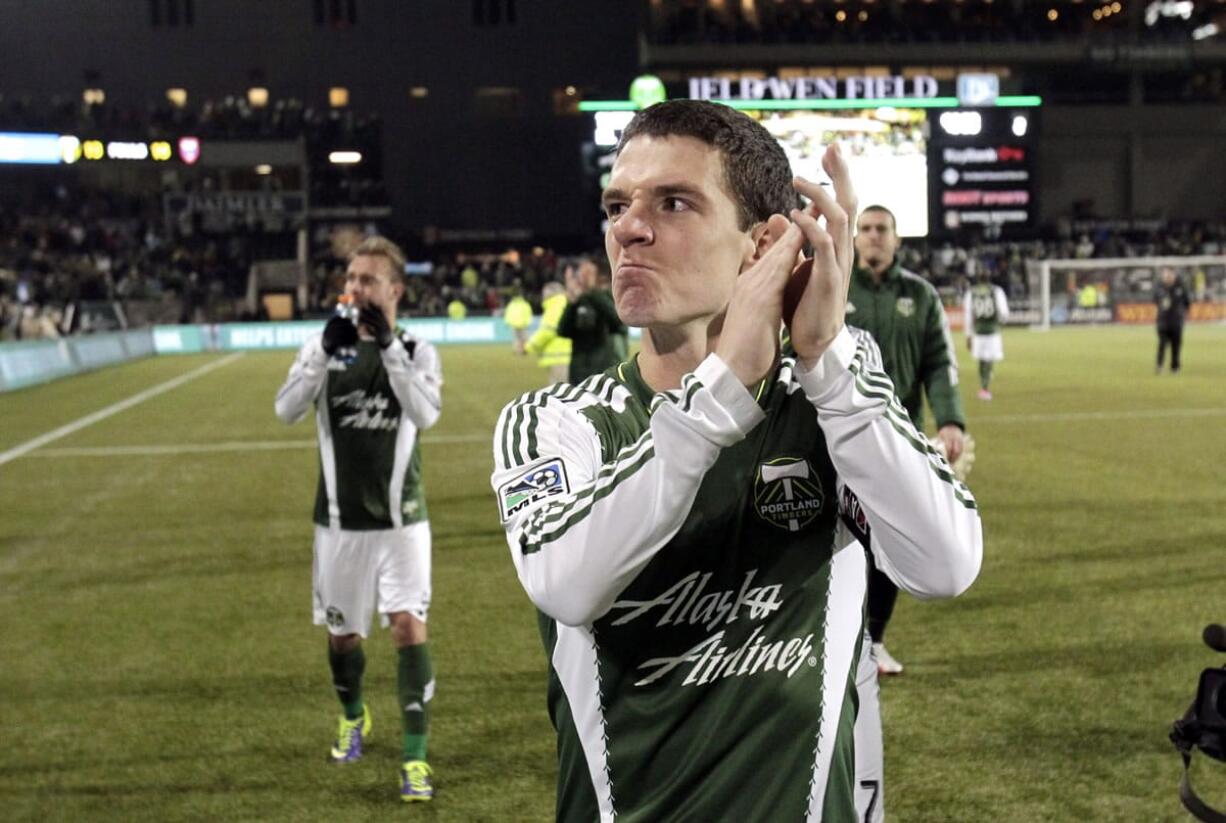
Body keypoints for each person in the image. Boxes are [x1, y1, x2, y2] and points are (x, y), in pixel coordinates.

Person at [490, 100, 982, 823]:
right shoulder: (554, 421)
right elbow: (567, 580)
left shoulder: (829, 403)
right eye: (617, 203)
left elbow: (947, 563)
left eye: (674, 202)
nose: (628, 227)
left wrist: (829, 359)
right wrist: (718, 393)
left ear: (766, 244)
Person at [275, 236, 442, 803]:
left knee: (406, 626)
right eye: (351, 278)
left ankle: (415, 759)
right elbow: (285, 410)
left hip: (402, 523)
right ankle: (354, 715)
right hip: (340, 526)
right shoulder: (323, 346)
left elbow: (426, 412)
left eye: (368, 280)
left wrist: (389, 346)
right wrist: (322, 352)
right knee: (343, 637)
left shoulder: (417, 349)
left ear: (394, 289)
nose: (356, 288)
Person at [848, 204, 967, 676]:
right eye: (866, 229)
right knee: (835, 547)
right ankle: (832, 646)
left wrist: (951, 420)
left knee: (887, 547)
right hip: (834, 441)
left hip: (899, 443)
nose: (874, 236)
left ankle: (873, 642)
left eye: (883, 230)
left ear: (898, 240)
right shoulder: (832, 288)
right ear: (855, 238)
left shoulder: (921, 296)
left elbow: (939, 363)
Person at [556, 256, 627, 382]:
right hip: (579, 369)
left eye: (588, 273)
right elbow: (562, 331)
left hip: (603, 367)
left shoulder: (607, 296)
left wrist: (593, 292)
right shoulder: (578, 301)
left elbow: (618, 322)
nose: (584, 277)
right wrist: (572, 303)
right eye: (582, 273)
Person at [964, 271, 1010, 400]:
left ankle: (984, 384)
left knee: (982, 359)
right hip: (992, 330)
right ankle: (985, 386)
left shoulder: (971, 292)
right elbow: (1004, 312)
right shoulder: (996, 291)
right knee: (989, 359)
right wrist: (1001, 322)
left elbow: (968, 315)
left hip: (978, 331)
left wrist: (968, 335)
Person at [522, 280, 572, 383]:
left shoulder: (555, 306)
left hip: (559, 357)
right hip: (565, 357)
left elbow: (548, 331)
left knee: (560, 394)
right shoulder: (564, 304)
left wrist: (528, 347)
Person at [1154, 266, 1191, 373]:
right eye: (1166, 274)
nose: (1168, 276)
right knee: (1162, 343)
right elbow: (1155, 300)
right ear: (1163, 275)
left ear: (1174, 275)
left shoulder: (1180, 286)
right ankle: (1159, 365)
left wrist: (1182, 312)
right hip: (1163, 321)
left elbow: (1187, 301)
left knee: (1176, 344)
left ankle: (1175, 366)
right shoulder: (1159, 287)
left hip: (1176, 321)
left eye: (1170, 274)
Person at [503, 288, 534, 353]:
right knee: (524, 338)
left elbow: (507, 314)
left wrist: (507, 322)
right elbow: (529, 314)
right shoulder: (525, 304)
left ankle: (517, 350)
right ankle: (524, 349)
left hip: (514, 324)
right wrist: (529, 322)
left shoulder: (511, 304)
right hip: (523, 324)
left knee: (516, 338)